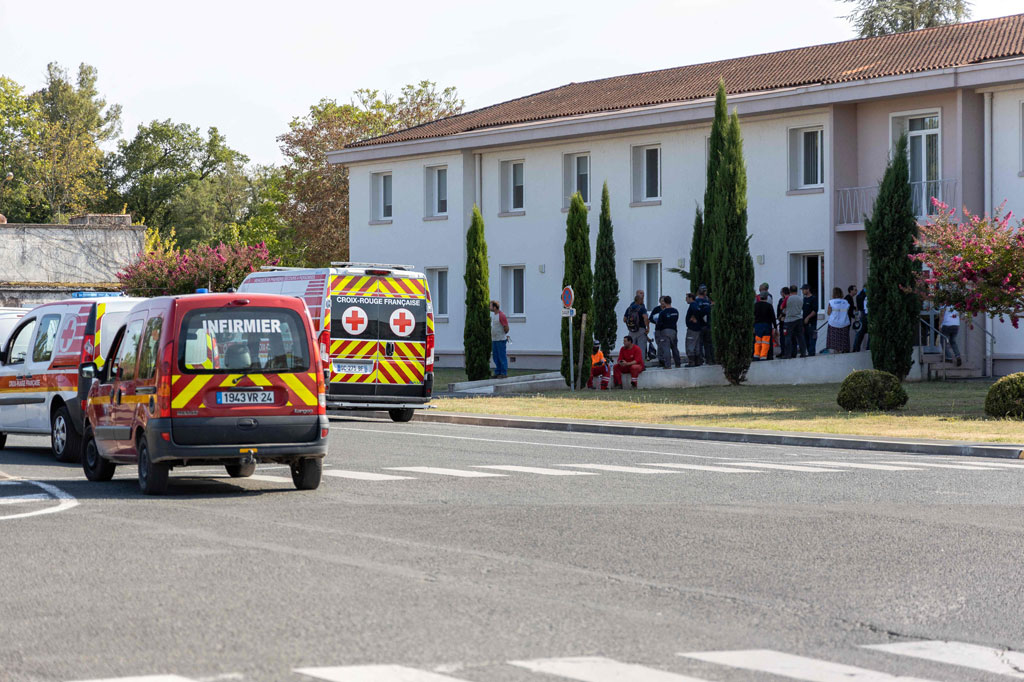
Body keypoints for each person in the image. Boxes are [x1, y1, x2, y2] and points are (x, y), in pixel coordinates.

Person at [654, 295, 681, 368]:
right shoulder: (675, 311)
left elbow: (659, 324)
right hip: (674, 331)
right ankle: (678, 363)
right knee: (675, 348)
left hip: (664, 332)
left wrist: (657, 333)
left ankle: (667, 365)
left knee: (666, 348)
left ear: (665, 302)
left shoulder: (662, 312)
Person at [782, 284, 806, 358]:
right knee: (800, 337)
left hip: (789, 320)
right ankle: (803, 353)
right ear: (797, 291)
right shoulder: (800, 298)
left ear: (790, 291)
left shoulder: (787, 298)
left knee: (788, 337)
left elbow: (781, 307)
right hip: (799, 319)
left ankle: (788, 354)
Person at [826, 287, 851, 353]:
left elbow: (828, 313)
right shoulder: (846, 302)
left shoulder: (831, 302)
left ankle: (836, 352)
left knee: (834, 341)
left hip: (833, 324)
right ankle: (843, 351)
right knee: (843, 340)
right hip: (844, 323)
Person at [684, 292, 705, 367]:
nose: (686, 300)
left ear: (690, 298)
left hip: (692, 329)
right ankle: (698, 361)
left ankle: (691, 362)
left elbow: (697, 311)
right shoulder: (697, 304)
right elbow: (701, 312)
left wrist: (694, 317)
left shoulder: (693, 305)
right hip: (697, 329)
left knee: (690, 344)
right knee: (696, 345)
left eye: (687, 298)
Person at [753, 292, 776, 361]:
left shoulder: (755, 305)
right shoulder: (769, 306)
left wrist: (752, 326)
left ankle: (756, 356)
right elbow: (773, 317)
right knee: (765, 342)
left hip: (757, 325)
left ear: (760, 297)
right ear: (766, 297)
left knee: (757, 342)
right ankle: (763, 356)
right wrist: (775, 327)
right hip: (767, 325)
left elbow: (753, 316)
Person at [489, 300, 509, 378]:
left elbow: (506, 327)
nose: (489, 307)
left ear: (495, 307)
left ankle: (503, 373)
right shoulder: (494, 315)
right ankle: (498, 372)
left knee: (502, 356)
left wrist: (503, 334)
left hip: (500, 340)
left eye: (490, 306)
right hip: (494, 339)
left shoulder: (501, 315)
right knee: (496, 357)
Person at [696, 284, 715, 364]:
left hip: (705, 325)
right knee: (705, 343)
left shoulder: (704, 301)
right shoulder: (702, 301)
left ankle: (707, 359)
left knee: (705, 343)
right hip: (704, 325)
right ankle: (707, 359)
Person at [801, 283, 819, 357]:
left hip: (812, 323)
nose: (802, 291)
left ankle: (811, 353)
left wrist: (808, 317)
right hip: (805, 323)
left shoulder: (813, 299)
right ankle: (808, 352)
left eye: (803, 290)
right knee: (806, 339)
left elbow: (815, 310)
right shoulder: (804, 299)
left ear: (808, 290)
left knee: (812, 338)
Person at [853, 287, 869, 352]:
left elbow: (858, 306)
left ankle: (856, 348)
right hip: (866, 313)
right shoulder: (865, 295)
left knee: (860, 332)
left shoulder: (860, 295)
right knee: (867, 331)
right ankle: (868, 347)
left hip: (862, 313)